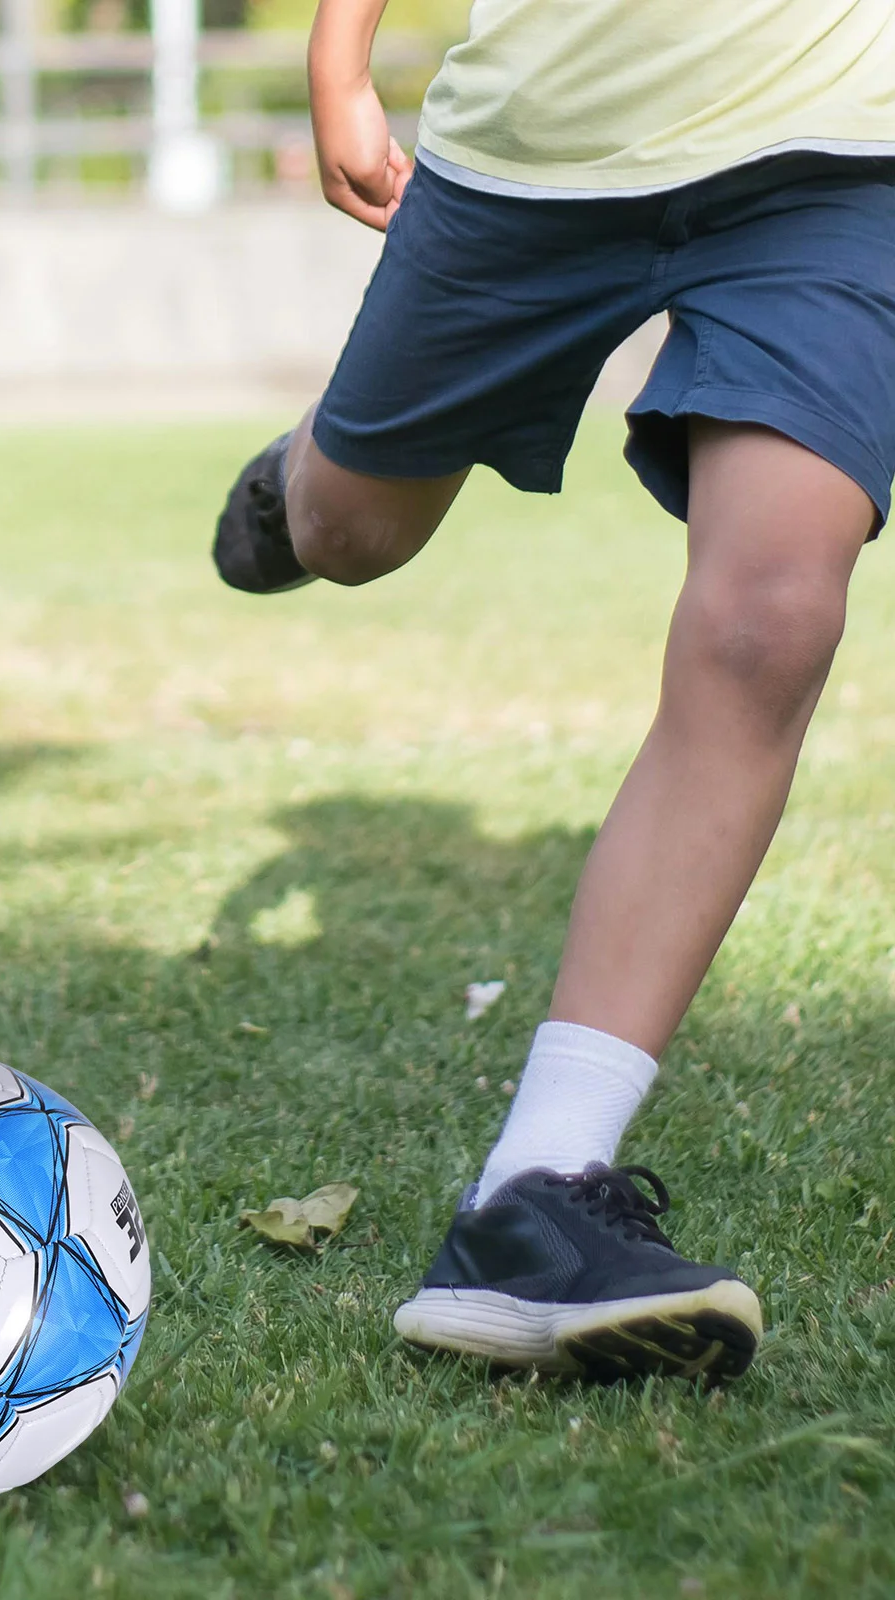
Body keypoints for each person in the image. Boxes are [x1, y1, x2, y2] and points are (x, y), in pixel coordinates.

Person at [214, 0, 895, 1381]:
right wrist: (340, 56)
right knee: (356, 530)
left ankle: (536, 1189)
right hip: (544, 146)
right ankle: (305, 484)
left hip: (839, 142)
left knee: (771, 614)